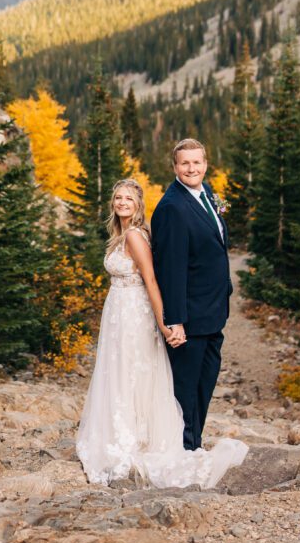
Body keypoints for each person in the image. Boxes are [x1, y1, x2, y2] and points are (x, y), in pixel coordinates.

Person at [76, 178, 246, 488]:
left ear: (139, 204)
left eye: (129, 198)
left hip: (135, 315)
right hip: (119, 314)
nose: (122, 202)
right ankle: (125, 432)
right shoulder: (120, 235)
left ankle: (141, 438)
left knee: (135, 372)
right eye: (118, 198)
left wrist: (165, 321)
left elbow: (152, 281)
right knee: (121, 373)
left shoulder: (136, 237)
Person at [150, 139, 231, 451]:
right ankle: (182, 451)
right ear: (174, 167)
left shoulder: (207, 194)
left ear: (205, 164)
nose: (191, 168)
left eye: (196, 163)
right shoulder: (172, 208)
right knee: (184, 388)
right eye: (184, 164)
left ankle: (194, 444)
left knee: (204, 385)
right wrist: (176, 320)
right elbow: (170, 269)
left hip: (213, 312)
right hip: (190, 318)